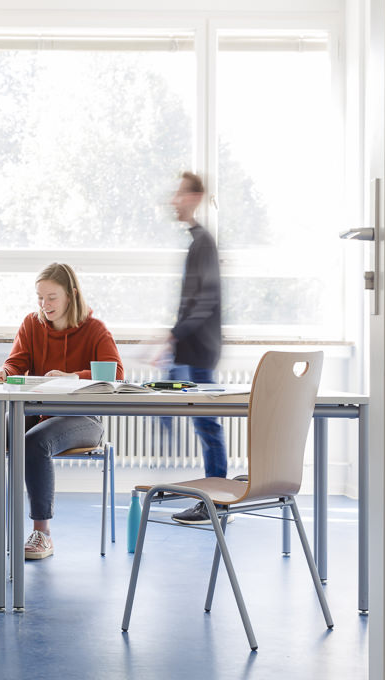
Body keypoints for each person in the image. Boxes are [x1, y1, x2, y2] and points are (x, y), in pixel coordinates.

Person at [0, 263, 123, 559]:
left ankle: (42, 534)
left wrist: (72, 376)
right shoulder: (31, 324)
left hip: (83, 418)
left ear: (71, 295)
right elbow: (16, 364)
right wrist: (3, 372)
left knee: (34, 444)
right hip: (34, 412)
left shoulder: (95, 329)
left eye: (52, 298)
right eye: (39, 297)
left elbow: (116, 374)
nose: (44, 305)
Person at [164, 171, 228, 524]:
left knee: (207, 424)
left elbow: (204, 301)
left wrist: (173, 335)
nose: (174, 200)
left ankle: (216, 502)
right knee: (200, 422)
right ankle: (212, 496)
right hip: (190, 347)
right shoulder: (197, 241)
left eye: (179, 194)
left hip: (199, 348)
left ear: (195, 197)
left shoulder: (203, 242)